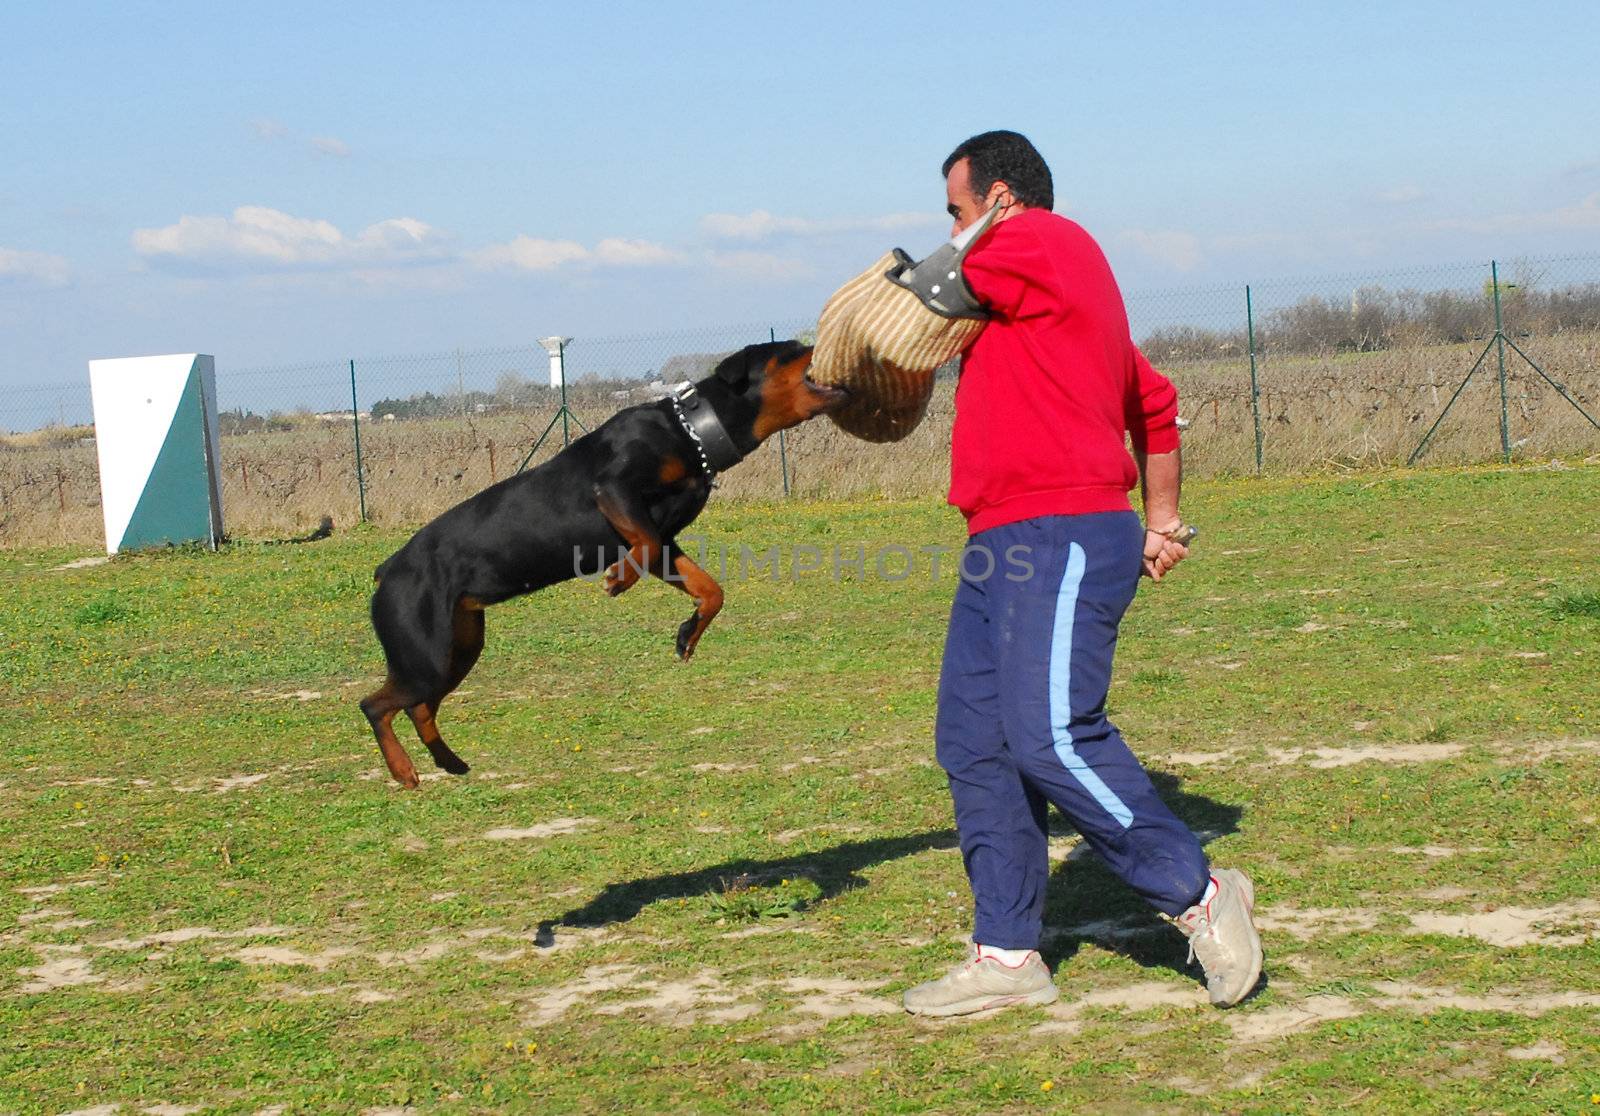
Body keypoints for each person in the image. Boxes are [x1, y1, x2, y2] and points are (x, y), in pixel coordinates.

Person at [903, 131, 1263, 1016]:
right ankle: (1008, 956)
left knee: (1052, 735)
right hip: (1004, 537)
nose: (950, 229)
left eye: (956, 210)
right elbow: (1154, 399)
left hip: (1060, 528)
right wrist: (1163, 520)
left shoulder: (1042, 242)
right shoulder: (1047, 308)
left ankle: (1200, 895)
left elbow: (920, 295)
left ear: (1000, 200)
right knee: (976, 744)